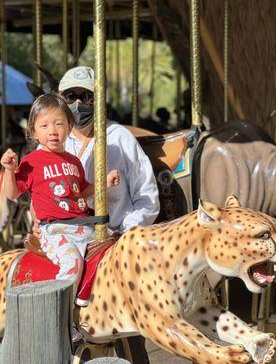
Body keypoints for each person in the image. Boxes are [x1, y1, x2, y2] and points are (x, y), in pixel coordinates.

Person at [58, 66, 160, 363]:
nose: (79, 103)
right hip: (71, 235)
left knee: (131, 320)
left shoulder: (120, 138)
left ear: (99, 100)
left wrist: (123, 231)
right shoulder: (56, 139)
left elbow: (148, 198)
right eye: (71, 96)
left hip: (116, 238)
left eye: (86, 96)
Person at [1, 93, 120, 294]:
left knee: (119, 246)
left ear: (69, 128)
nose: (53, 131)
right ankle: (61, 317)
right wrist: (10, 171)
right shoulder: (31, 161)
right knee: (72, 265)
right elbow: (12, 193)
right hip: (56, 230)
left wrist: (103, 183)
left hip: (84, 225)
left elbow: (81, 191)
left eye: (59, 124)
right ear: (33, 132)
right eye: (44, 126)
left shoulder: (73, 162)